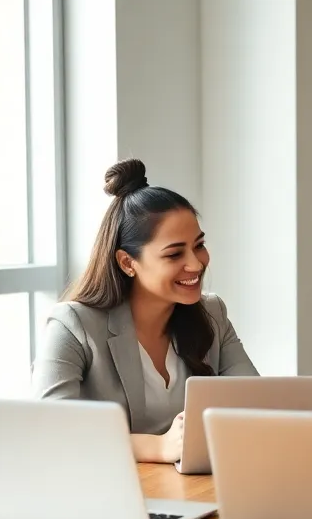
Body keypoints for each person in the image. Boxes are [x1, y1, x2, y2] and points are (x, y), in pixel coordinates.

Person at [32, 158, 258, 464]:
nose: (196, 264)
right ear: (127, 263)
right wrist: (158, 447)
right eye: (175, 253)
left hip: (191, 491)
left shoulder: (212, 313)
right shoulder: (73, 325)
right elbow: (51, 434)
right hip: (107, 496)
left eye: (199, 245)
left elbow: (255, 407)